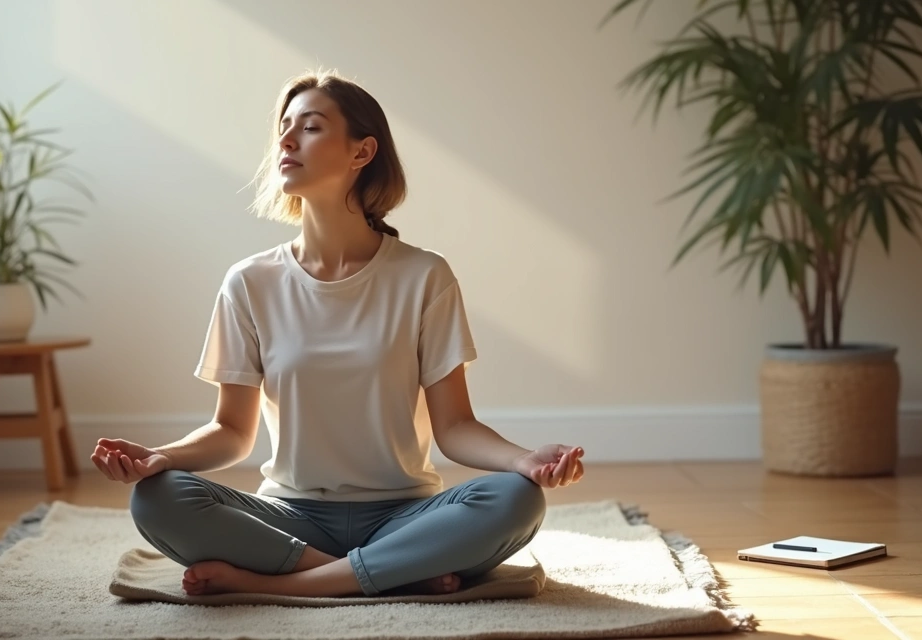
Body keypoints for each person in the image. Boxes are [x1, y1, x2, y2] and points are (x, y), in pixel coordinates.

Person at [91, 70, 585, 599]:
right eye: (284, 127)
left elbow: (455, 426)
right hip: (291, 517)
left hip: (405, 513)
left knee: (518, 499)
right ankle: (389, 573)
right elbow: (232, 432)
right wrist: (160, 457)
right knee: (157, 498)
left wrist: (525, 461)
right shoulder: (249, 282)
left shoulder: (425, 276)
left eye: (310, 127)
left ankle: (285, 582)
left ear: (361, 152)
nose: (285, 140)